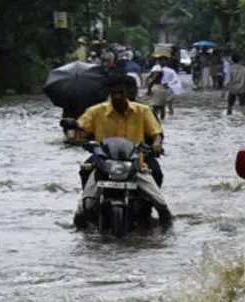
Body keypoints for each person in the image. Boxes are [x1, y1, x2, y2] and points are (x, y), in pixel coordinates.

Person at [61, 74, 172, 225]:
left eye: (121, 92)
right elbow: (80, 128)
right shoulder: (95, 111)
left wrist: (157, 144)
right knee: (82, 211)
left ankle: (155, 224)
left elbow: (156, 133)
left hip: (135, 164)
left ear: (128, 93)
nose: (117, 96)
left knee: (163, 208)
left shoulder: (143, 111)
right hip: (103, 164)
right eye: (113, 93)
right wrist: (72, 130)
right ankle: (83, 235)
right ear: (109, 93)